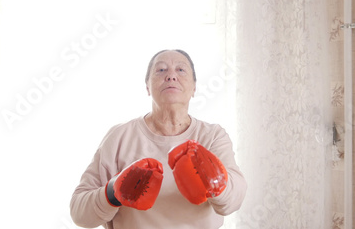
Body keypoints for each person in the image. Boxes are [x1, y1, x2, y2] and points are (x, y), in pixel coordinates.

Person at [70, 49, 247, 229]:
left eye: (180, 70)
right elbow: (79, 213)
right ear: (147, 86)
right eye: (161, 70)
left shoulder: (213, 136)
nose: (171, 76)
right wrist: (112, 193)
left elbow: (233, 201)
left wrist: (215, 181)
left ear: (194, 87)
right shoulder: (119, 137)